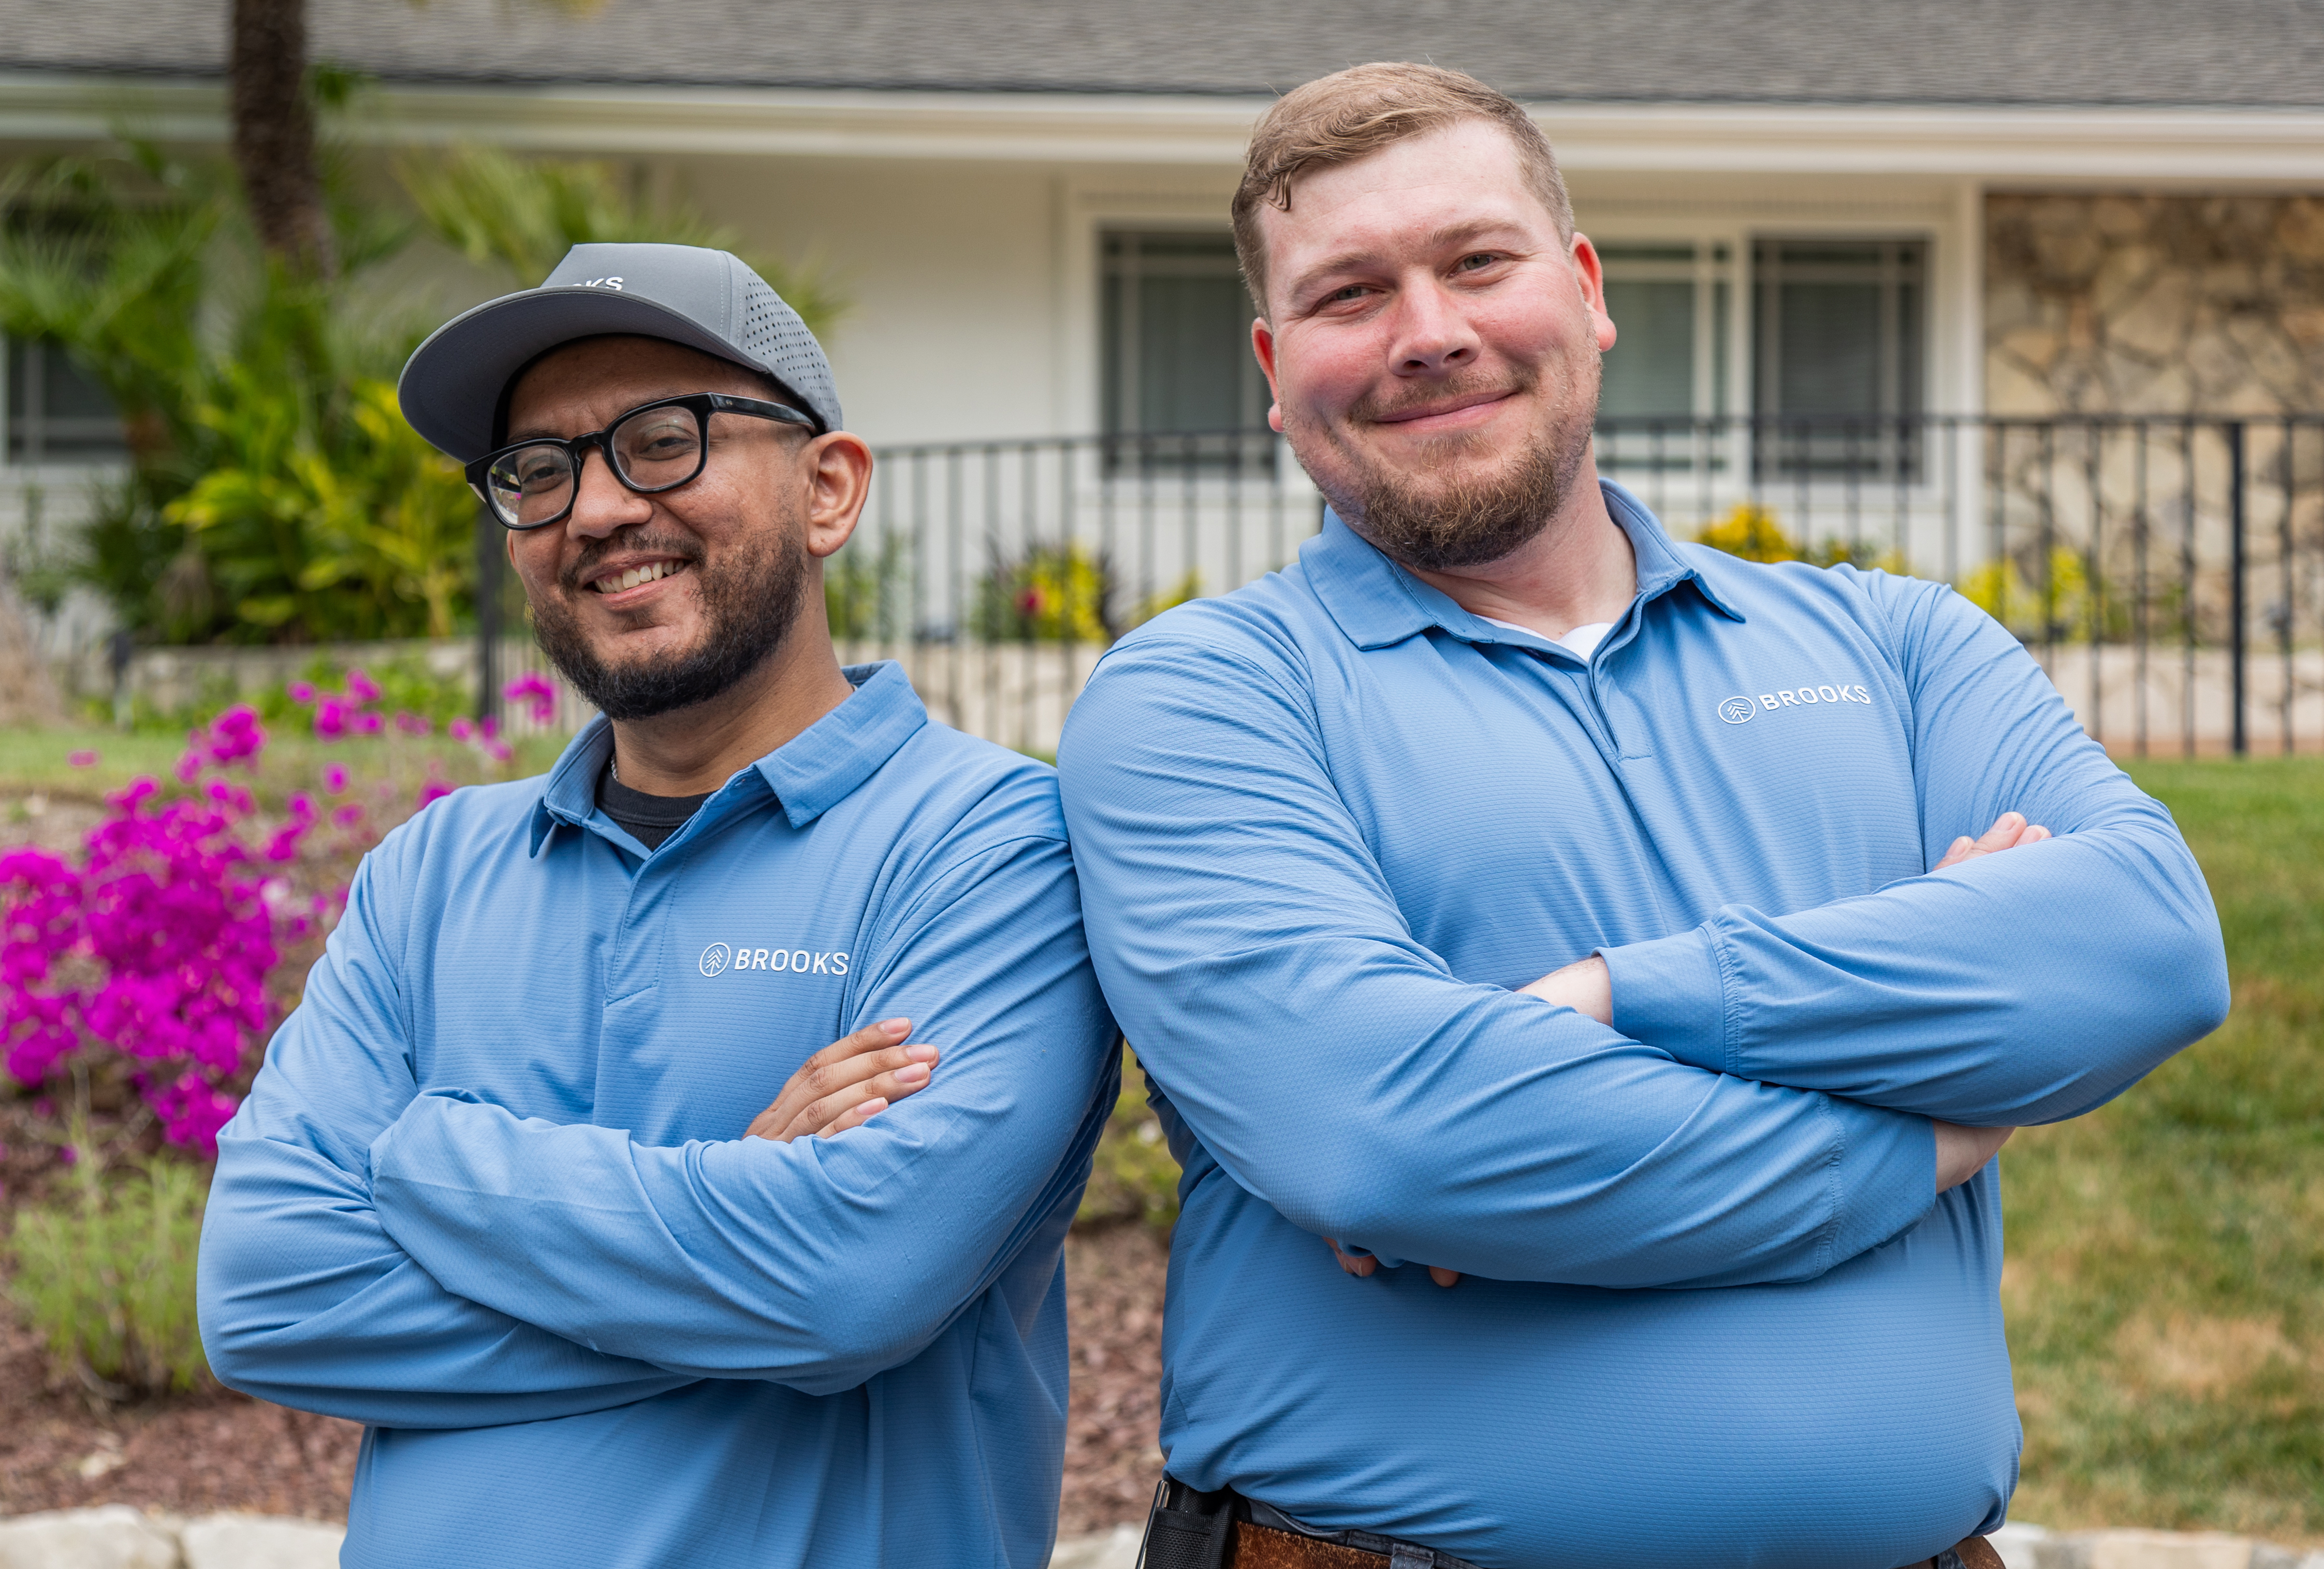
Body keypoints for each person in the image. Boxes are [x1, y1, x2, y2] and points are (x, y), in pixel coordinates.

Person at [1055, 65, 2230, 1569]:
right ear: (1275, 369)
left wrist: (1624, 998)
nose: (1432, 333)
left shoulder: (1895, 640)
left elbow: (2146, 947)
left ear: (1587, 290)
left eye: (1480, 261)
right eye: (1353, 294)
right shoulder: (1205, 696)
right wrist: (1932, 1127)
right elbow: (1390, 1138)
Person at [197, 243, 1119, 1569]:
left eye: (663, 439)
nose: (596, 509)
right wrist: (741, 1213)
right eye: (538, 471)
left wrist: (423, 1158)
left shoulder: (990, 850)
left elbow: (843, 1285)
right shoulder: (432, 870)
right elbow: (270, 1297)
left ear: (828, 488)